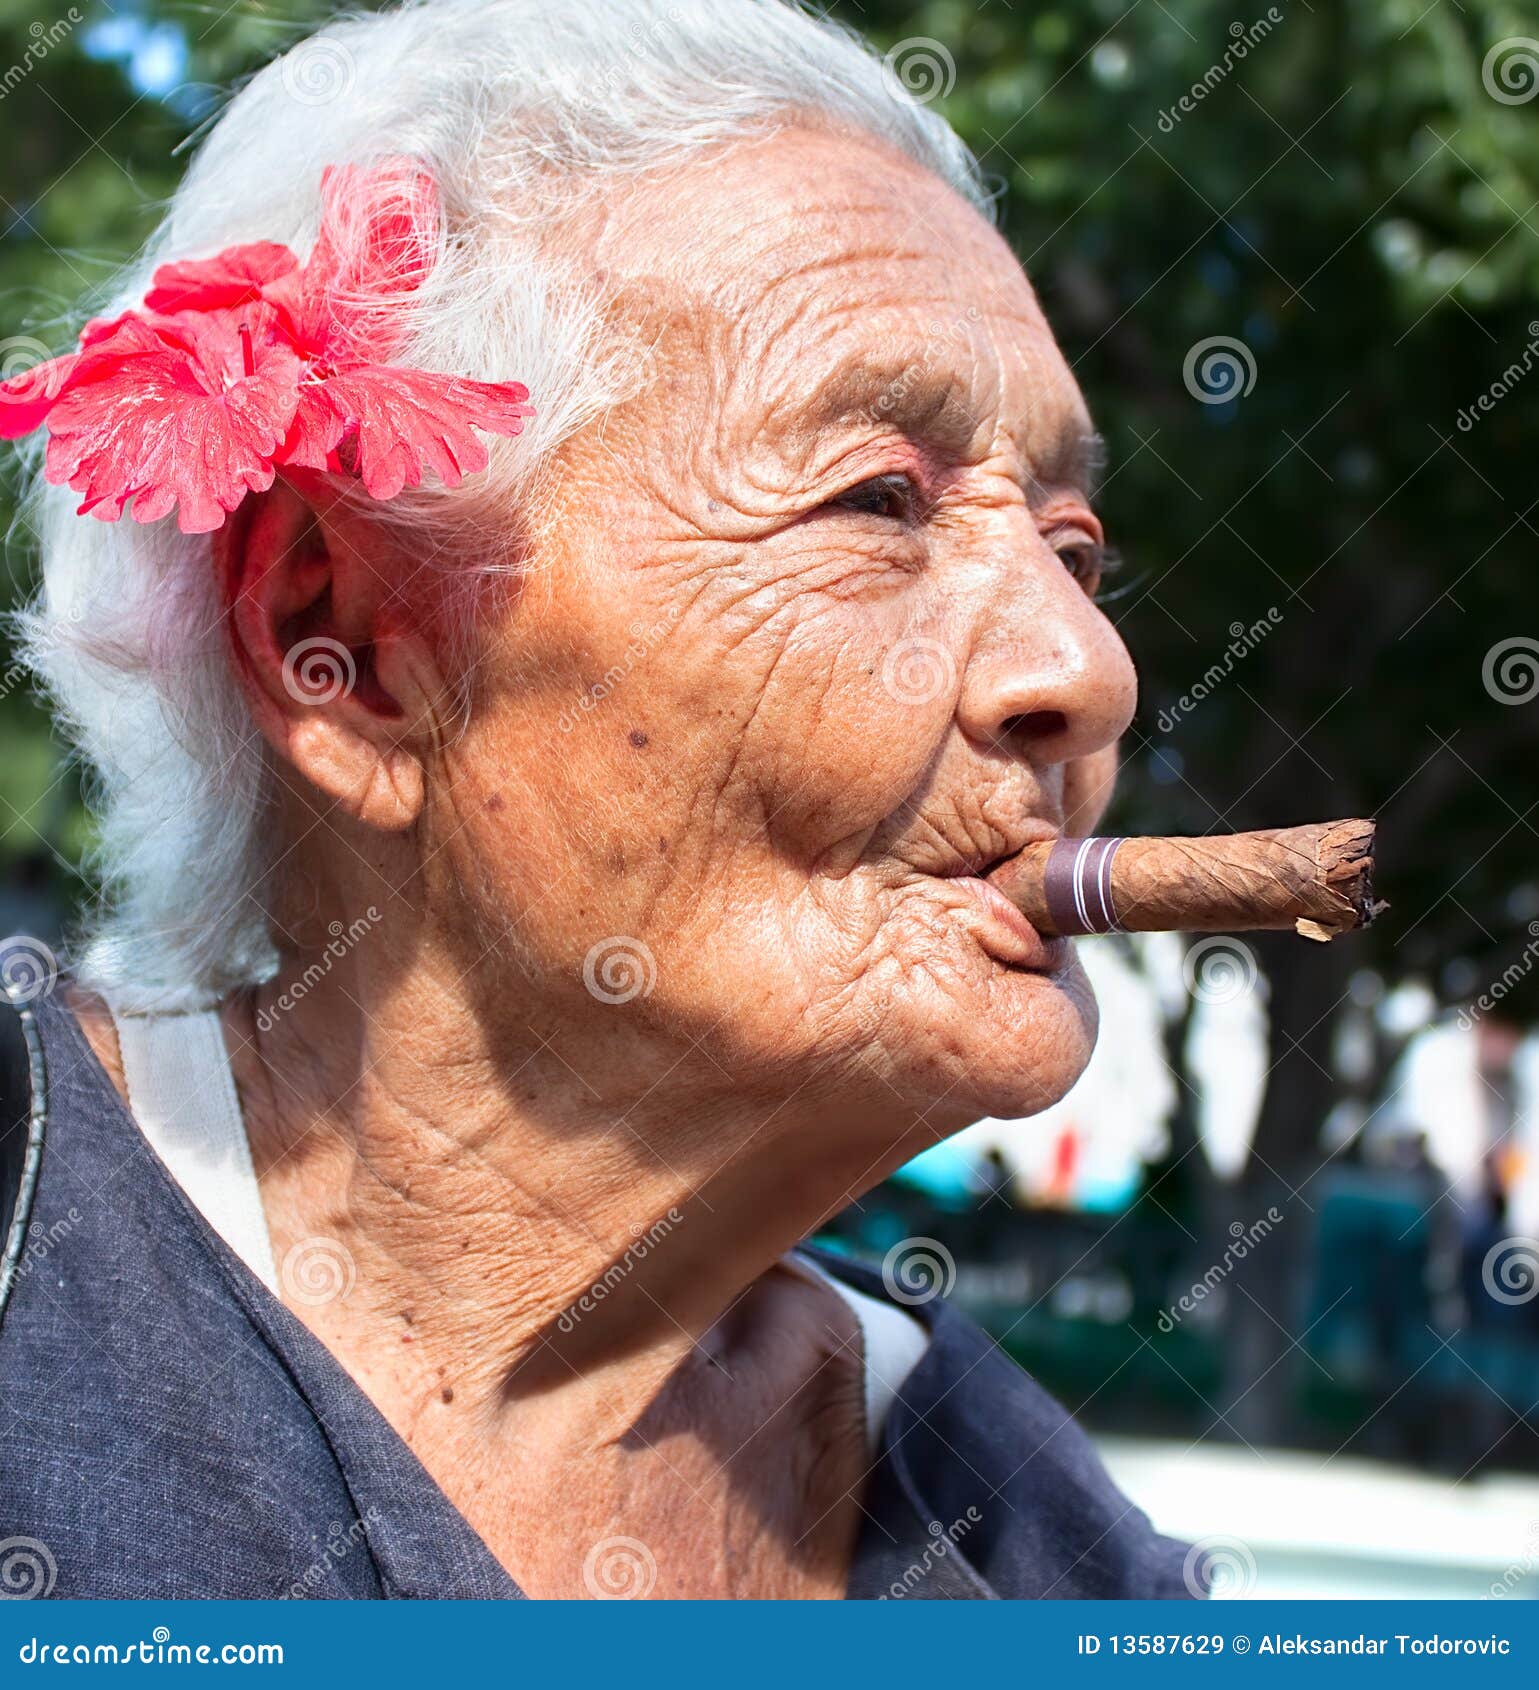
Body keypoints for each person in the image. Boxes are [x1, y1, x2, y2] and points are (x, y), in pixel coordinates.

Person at [0, 0, 1194, 1600]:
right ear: (342, 645)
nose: (1088, 670)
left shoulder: (1033, 1546)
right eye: (879, 502)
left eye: (1070, 545)